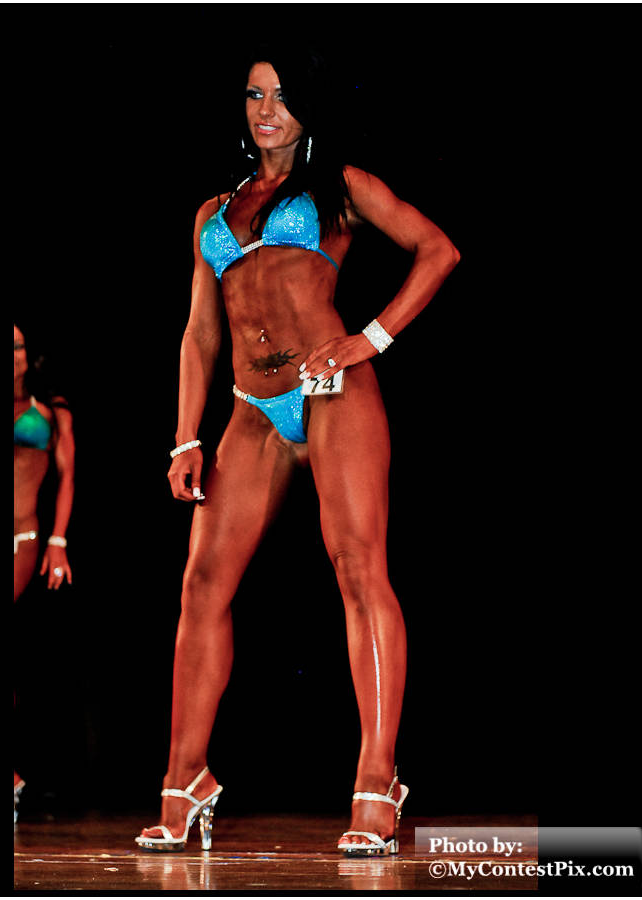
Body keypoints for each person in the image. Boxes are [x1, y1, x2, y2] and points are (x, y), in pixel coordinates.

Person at [136, 45, 460, 856]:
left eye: (280, 95)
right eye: (254, 96)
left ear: (306, 104)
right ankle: (185, 779)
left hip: (330, 389)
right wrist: (184, 436)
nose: (265, 110)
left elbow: (438, 250)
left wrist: (369, 339)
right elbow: (199, 333)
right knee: (202, 584)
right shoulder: (214, 211)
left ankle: (377, 779)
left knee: (358, 569)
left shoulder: (339, 186)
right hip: (251, 407)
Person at [14, 322, 76, 822]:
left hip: (23, 535)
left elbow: (68, 474)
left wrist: (58, 541)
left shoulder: (50, 411)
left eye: (15, 346)